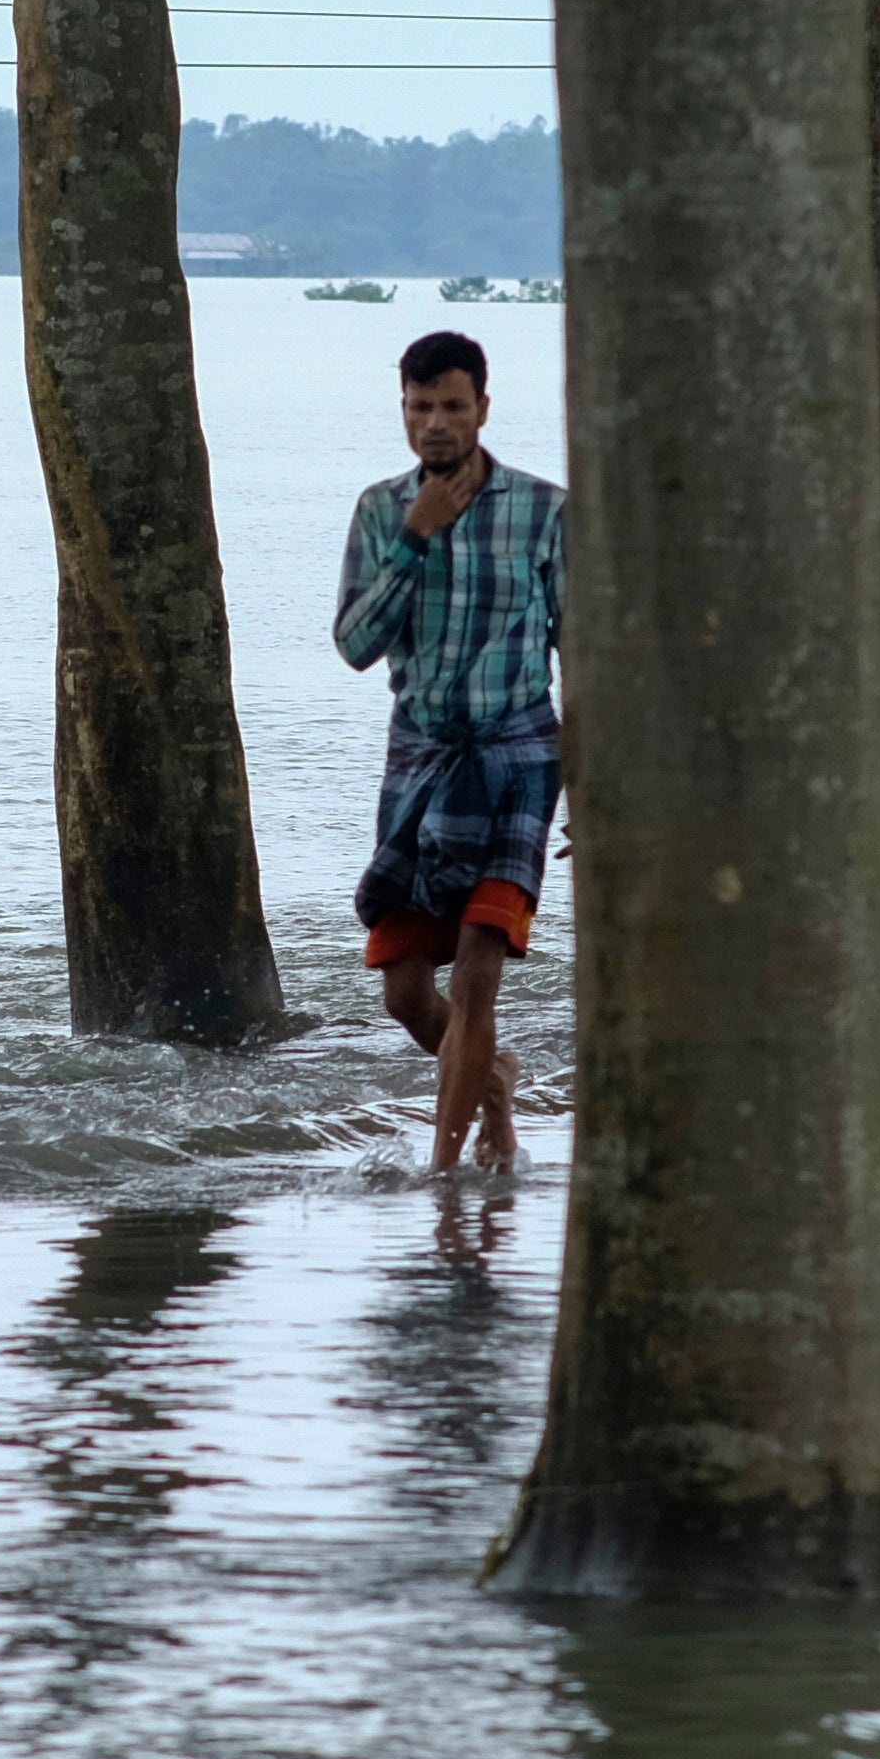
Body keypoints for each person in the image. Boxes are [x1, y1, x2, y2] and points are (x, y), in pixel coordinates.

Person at [332, 326, 563, 1176]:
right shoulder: (379, 511)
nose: (435, 422)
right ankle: (494, 1089)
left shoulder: (545, 511)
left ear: (482, 409)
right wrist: (415, 537)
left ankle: (443, 1181)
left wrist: (599, 785)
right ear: (403, 409)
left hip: (519, 761)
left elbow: (582, 648)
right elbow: (356, 645)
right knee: (405, 991)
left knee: (476, 976)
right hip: (420, 763)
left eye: (452, 406)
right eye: (420, 405)